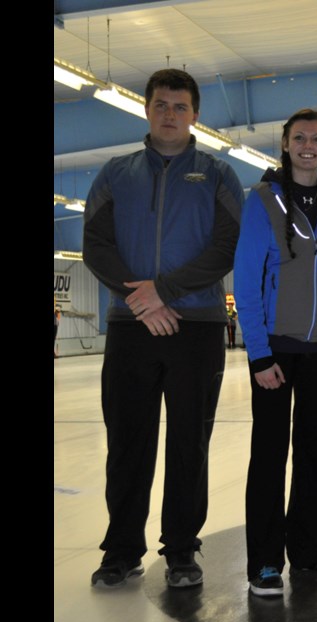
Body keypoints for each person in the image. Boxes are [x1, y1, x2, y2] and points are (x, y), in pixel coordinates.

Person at [83, 68, 243, 589]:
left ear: (195, 114)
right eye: (160, 105)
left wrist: (165, 291)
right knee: (127, 441)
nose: (169, 114)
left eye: (180, 106)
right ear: (147, 110)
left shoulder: (218, 175)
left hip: (195, 326)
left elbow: (226, 246)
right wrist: (141, 299)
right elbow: (96, 245)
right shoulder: (114, 173)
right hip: (131, 326)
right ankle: (122, 549)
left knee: (188, 444)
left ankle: (180, 550)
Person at [233, 108, 317, 598]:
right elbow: (245, 280)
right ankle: (265, 561)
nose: (309, 145)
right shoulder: (262, 200)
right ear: (285, 144)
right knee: (268, 455)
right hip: (276, 351)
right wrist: (259, 355)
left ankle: (307, 550)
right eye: (300, 137)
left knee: (312, 453)